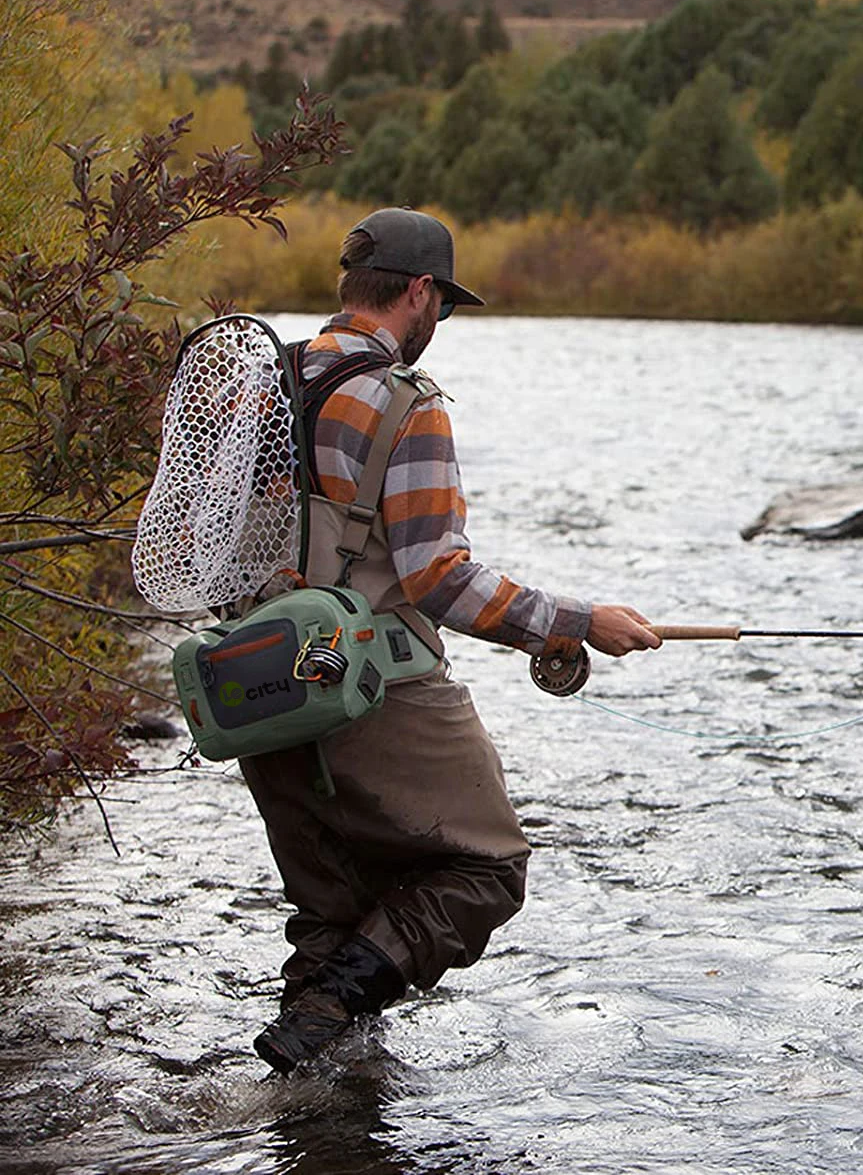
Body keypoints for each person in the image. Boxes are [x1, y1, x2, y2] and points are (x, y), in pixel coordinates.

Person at [246, 207, 660, 1072]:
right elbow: (440, 578)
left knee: (332, 917)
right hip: (373, 692)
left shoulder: (267, 384)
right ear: (423, 292)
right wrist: (582, 624)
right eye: (446, 305)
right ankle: (323, 1031)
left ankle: (302, 1110)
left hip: (256, 688)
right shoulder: (407, 402)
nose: (442, 324)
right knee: (486, 871)